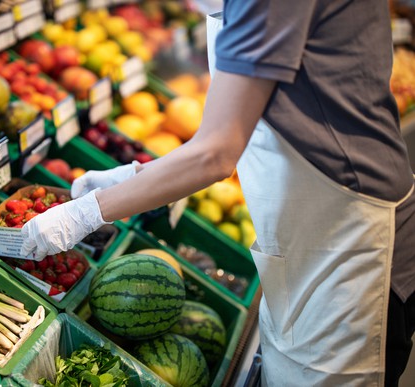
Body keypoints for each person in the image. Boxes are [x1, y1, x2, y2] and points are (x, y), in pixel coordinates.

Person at [21, 1, 415, 385]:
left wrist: (86, 213)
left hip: (354, 250)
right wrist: (135, 176)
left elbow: (215, 153)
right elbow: (241, 122)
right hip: (311, 239)